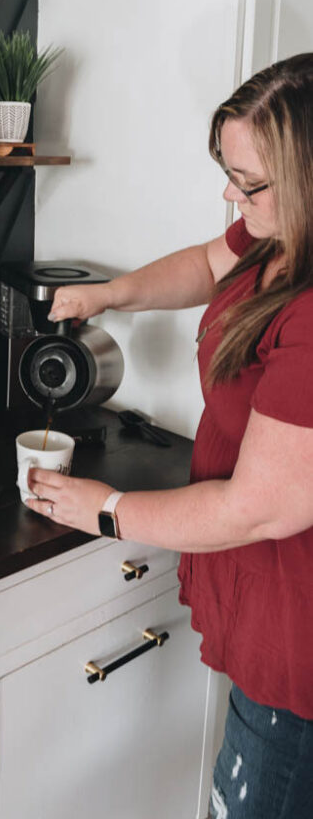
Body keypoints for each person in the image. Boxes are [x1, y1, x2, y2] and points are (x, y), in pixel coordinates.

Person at [26, 53, 313, 818]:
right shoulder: (279, 236)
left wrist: (106, 509)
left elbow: (258, 510)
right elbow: (204, 265)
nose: (229, 193)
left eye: (248, 181)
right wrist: (109, 294)